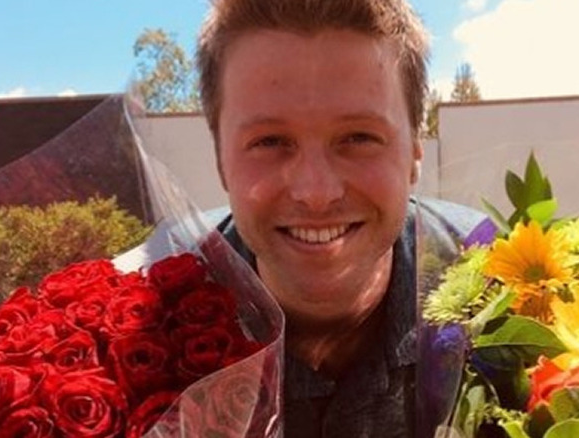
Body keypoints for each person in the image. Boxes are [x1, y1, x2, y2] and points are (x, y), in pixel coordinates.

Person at [195, 0, 485, 436]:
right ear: (220, 161)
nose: (316, 193)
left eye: (359, 137)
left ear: (415, 151)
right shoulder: (132, 333)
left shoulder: (509, 296)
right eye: (270, 141)